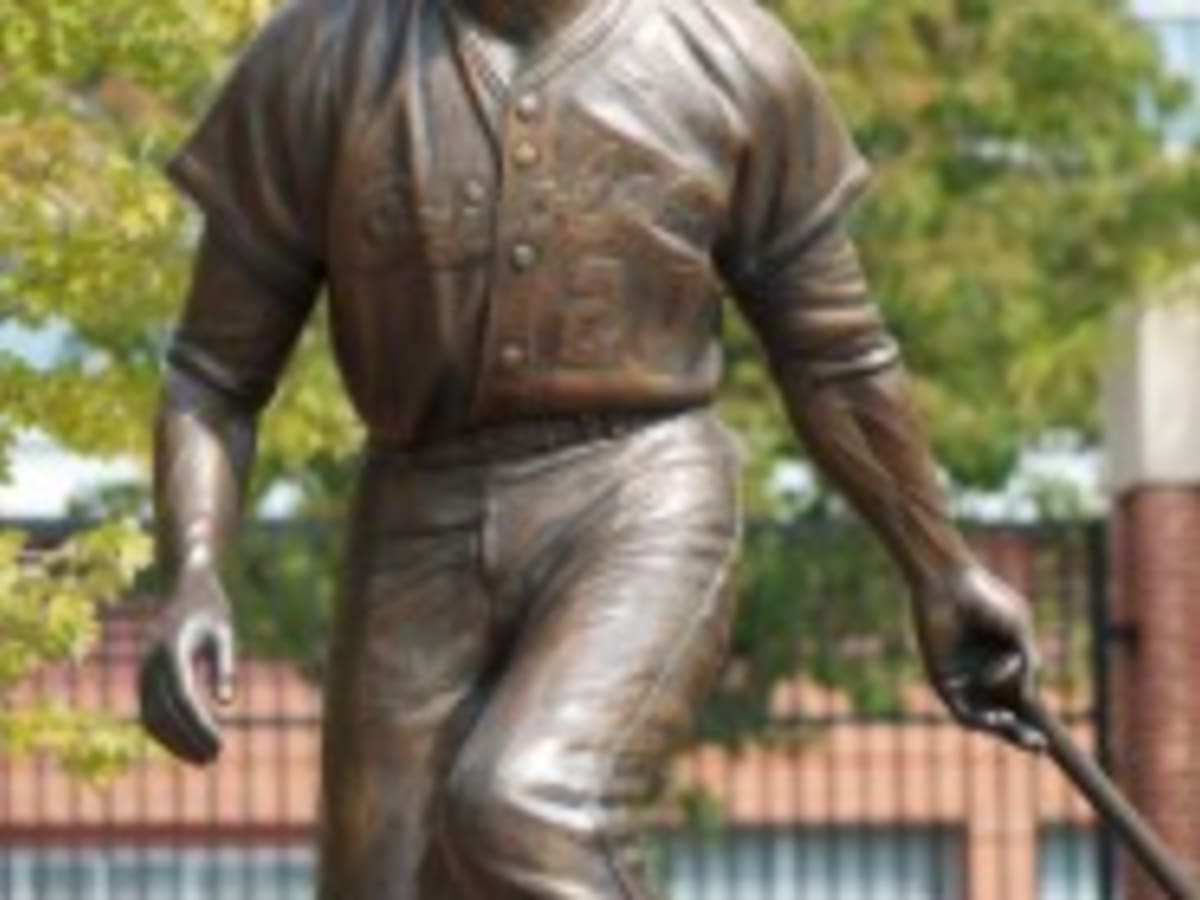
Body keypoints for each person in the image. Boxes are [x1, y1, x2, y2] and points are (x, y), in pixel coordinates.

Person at [138, 0, 1046, 896]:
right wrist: (194, 573)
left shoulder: (729, 53)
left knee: (526, 805)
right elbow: (213, 375)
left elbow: (837, 354)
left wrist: (940, 568)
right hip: (415, 509)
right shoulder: (318, 57)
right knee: (379, 879)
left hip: (638, 487)